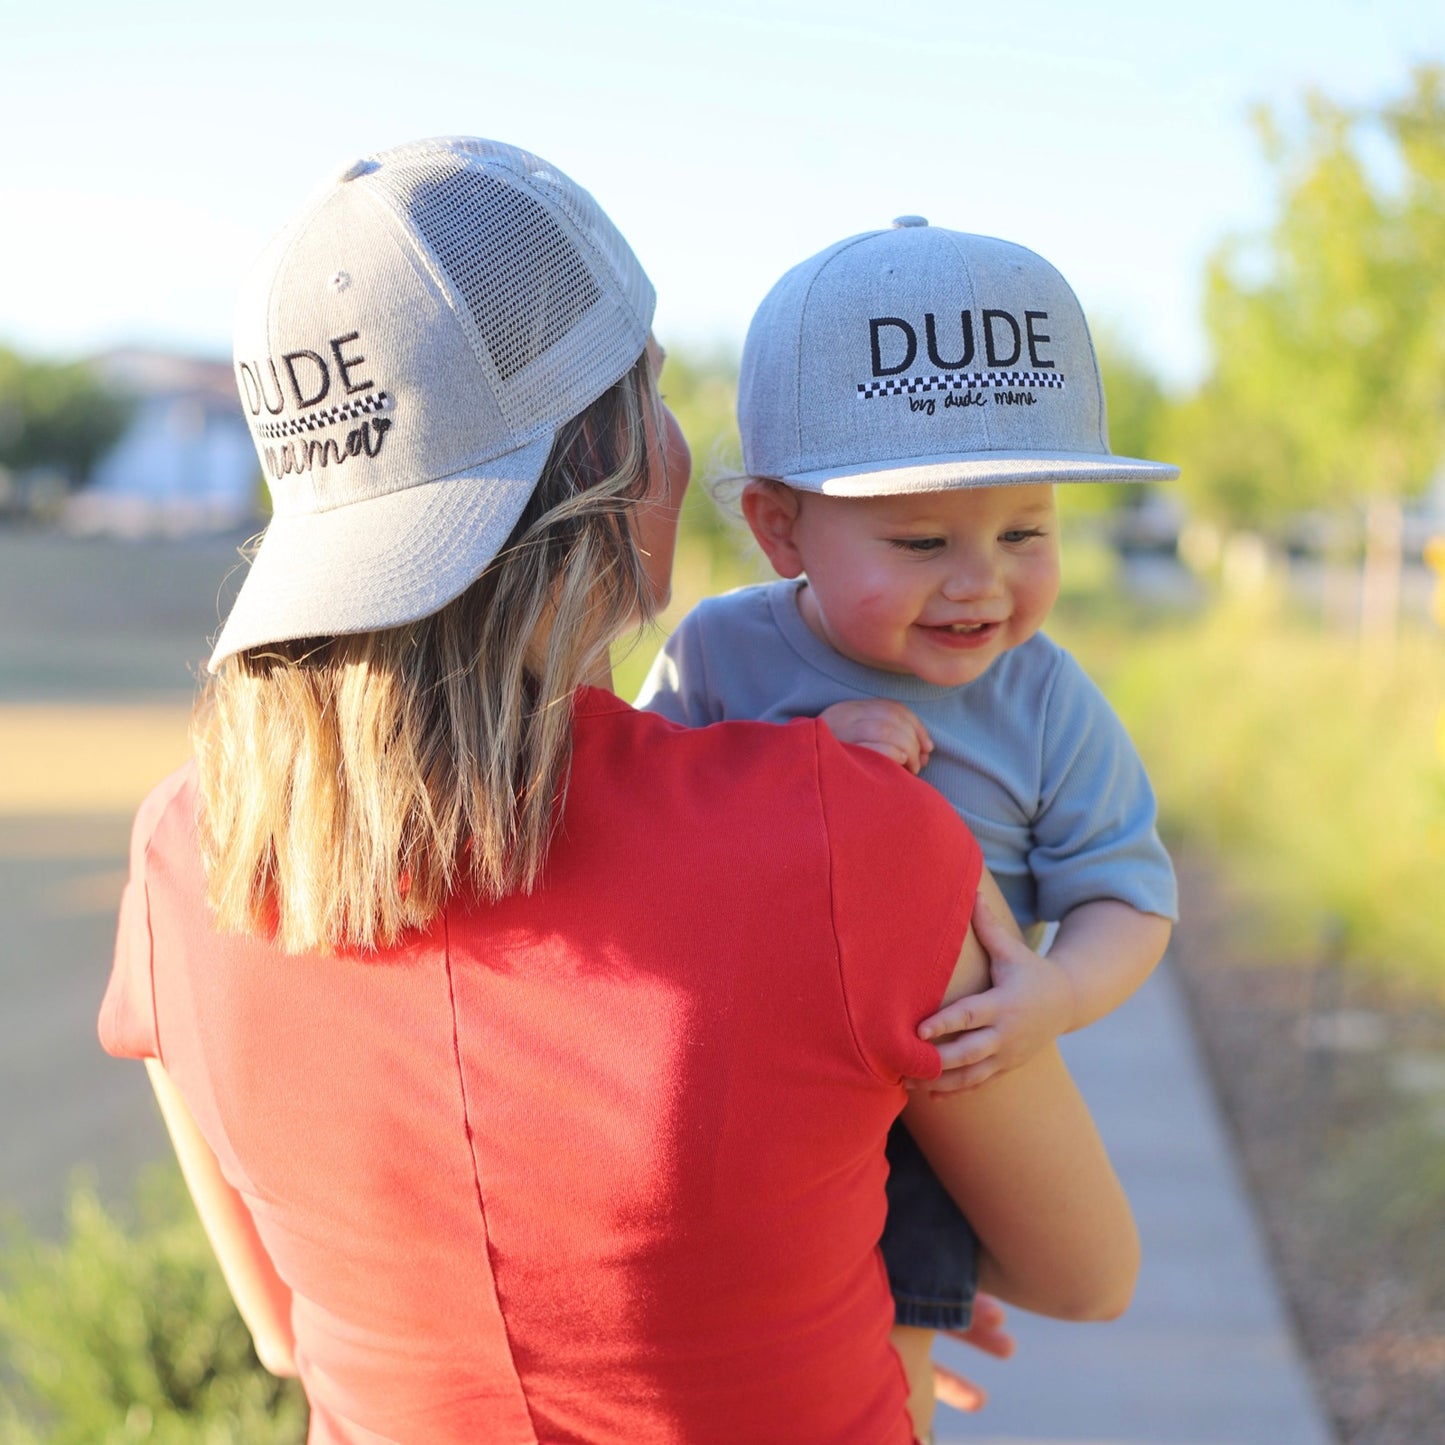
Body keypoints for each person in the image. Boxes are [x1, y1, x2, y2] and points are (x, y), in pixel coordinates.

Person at [99, 139, 1138, 1445]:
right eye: (650, 390)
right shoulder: (847, 833)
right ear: (621, 471)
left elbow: (279, 1329)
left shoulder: (187, 852)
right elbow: (1083, 1272)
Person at [636, 217, 1178, 1438]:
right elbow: (643, 817)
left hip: (926, 1102)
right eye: (921, 540)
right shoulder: (720, 651)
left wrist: (1053, 996)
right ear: (779, 527)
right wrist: (788, 768)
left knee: (888, 1367)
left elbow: (1126, 892)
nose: (981, 580)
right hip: (740, 1084)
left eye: (1024, 531)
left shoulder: (1040, 697)